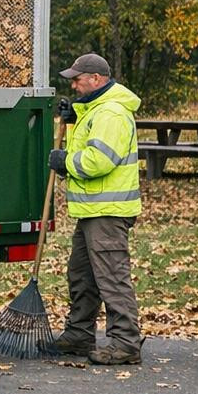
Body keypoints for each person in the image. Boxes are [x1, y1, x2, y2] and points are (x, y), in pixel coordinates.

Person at [49, 53, 144, 365]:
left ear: (97, 79)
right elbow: (87, 146)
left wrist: (65, 161)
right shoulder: (95, 110)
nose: (74, 84)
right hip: (91, 211)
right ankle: (79, 334)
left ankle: (126, 343)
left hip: (108, 212)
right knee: (82, 275)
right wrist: (75, 120)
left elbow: (98, 161)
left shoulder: (112, 113)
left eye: (78, 79)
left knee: (112, 278)